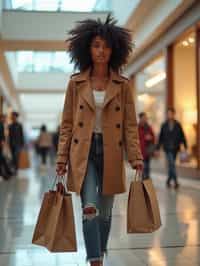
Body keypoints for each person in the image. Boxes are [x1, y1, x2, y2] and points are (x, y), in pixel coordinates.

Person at [56, 15, 143, 266]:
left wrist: (136, 156)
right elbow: (67, 125)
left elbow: (129, 125)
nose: (101, 51)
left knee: (104, 214)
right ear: (87, 48)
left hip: (112, 152)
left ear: (114, 49)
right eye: (96, 45)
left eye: (105, 45)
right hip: (83, 152)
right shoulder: (75, 83)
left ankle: (99, 253)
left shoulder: (122, 85)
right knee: (90, 209)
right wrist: (62, 158)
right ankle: (95, 260)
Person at [157, 107, 187, 189]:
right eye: (168, 113)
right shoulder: (164, 125)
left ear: (174, 114)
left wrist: (185, 146)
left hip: (175, 148)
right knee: (172, 164)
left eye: (171, 113)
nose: (169, 115)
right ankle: (176, 181)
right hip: (167, 148)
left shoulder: (178, 124)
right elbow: (161, 137)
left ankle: (169, 180)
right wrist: (158, 148)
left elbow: (182, 135)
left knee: (171, 164)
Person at [138, 112, 155, 179]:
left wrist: (150, 138)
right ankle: (143, 179)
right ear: (140, 118)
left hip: (147, 151)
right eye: (144, 118)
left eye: (146, 118)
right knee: (142, 167)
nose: (145, 119)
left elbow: (153, 137)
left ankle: (146, 179)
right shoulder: (137, 127)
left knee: (147, 166)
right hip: (140, 151)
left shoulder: (148, 127)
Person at [0, 114, 13, 180]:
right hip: (1, 144)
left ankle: (6, 173)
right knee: (2, 158)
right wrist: (2, 142)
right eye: (4, 118)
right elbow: (2, 135)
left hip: (2, 144)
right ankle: (6, 174)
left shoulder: (3, 125)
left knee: (3, 158)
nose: (5, 119)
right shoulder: (1, 125)